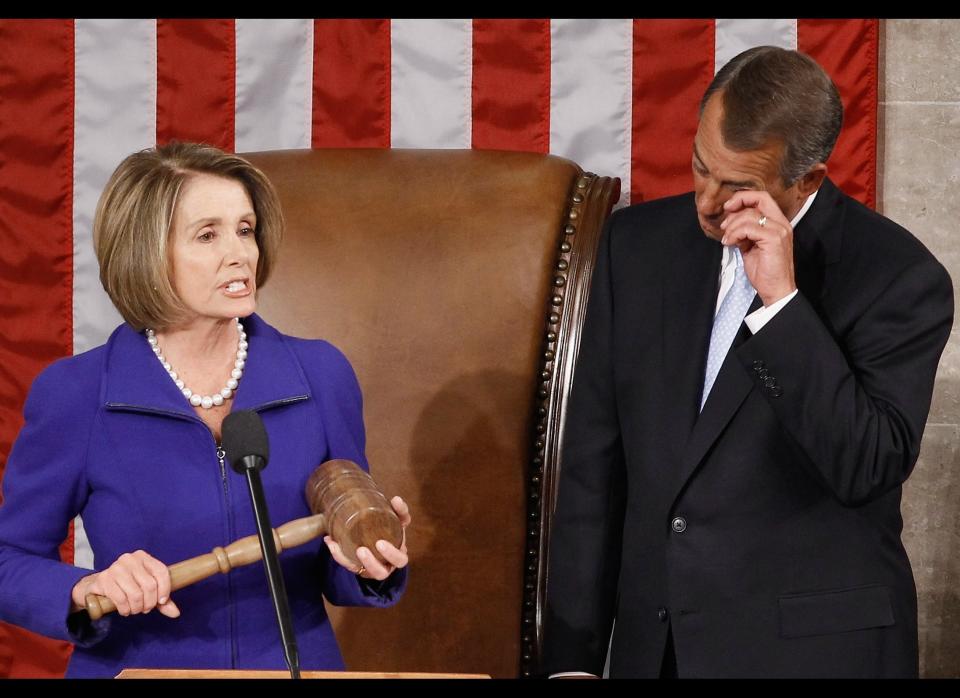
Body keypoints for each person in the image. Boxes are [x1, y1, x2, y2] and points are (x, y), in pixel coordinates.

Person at [542, 46, 954, 678]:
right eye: (701, 167)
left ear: (808, 179)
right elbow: (594, 474)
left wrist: (782, 305)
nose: (706, 200)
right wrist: (571, 661)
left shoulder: (898, 277)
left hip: (812, 657)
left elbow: (866, 465)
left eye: (737, 186)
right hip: (659, 656)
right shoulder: (636, 249)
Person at [0, 142, 411, 677]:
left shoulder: (320, 375)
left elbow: (339, 555)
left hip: (293, 667)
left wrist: (368, 563)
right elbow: (8, 561)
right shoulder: (77, 394)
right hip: (137, 668)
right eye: (208, 235)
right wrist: (86, 587)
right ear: (146, 253)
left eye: (245, 229)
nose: (240, 253)